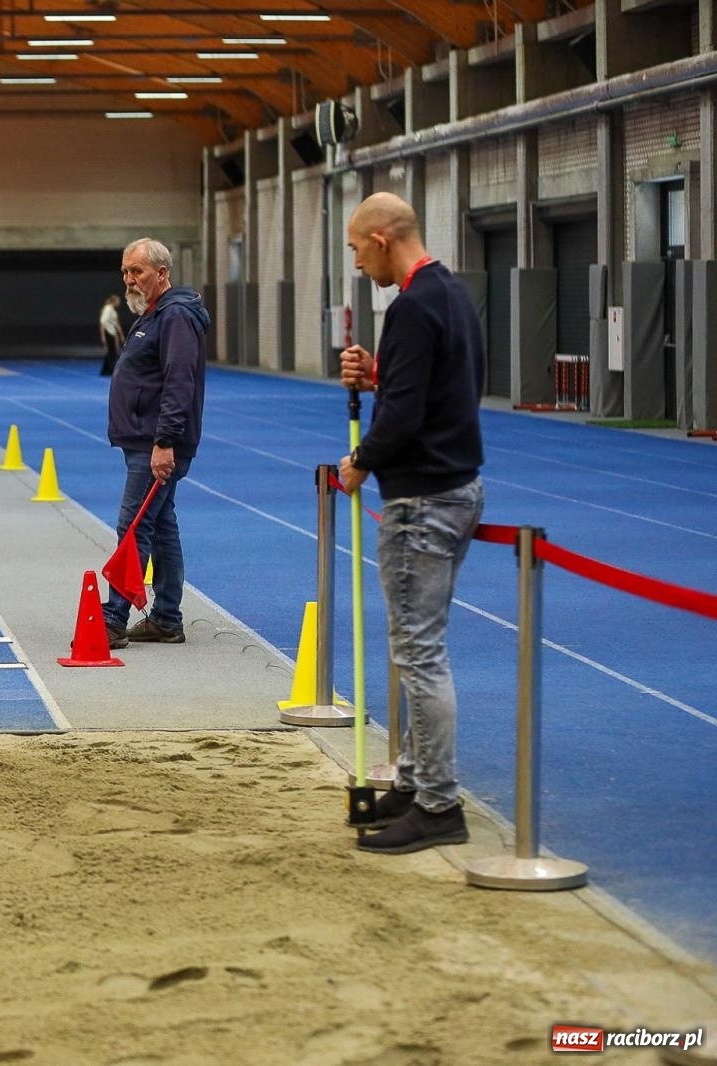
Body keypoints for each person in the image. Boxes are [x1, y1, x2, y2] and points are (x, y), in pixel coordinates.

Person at [338, 192, 487, 855]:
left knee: (420, 654)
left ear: (380, 238)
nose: (356, 259)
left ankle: (437, 804)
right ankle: (417, 778)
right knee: (418, 650)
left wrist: (359, 462)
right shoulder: (451, 295)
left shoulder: (409, 306)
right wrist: (379, 376)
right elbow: (435, 390)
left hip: (422, 499)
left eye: (355, 247)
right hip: (458, 485)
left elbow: (400, 420)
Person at [103, 237, 211, 650]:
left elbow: (179, 381)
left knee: (133, 527)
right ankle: (166, 618)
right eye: (126, 271)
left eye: (138, 272)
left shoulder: (176, 317)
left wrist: (165, 441)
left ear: (162, 273)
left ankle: (113, 618)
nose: (129, 279)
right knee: (161, 528)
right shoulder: (154, 314)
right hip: (145, 441)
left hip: (157, 444)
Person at [98, 294, 125, 376]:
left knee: (111, 352)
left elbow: (116, 323)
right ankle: (110, 369)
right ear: (114, 301)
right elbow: (103, 322)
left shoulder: (112, 310)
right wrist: (103, 336)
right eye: (118, 301)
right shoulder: (108, 309)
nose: (119, 302)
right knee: (111, 352)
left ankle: (105, 370)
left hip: (112, 332)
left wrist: (120, 334)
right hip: (108, 332)